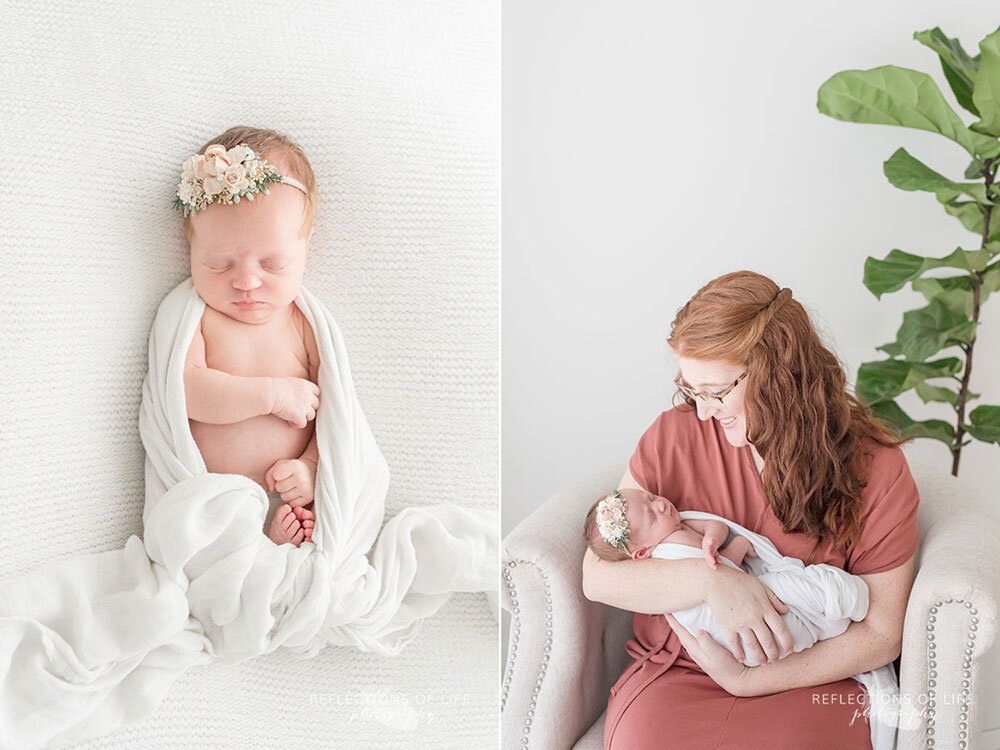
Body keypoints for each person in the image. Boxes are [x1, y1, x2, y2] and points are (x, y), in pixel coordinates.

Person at [581, 271, 919, 750]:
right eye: (692, 389)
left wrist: (748, 681)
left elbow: (883, 632)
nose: (702, 412)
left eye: (716, 391)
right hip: (682, 670)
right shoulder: (674, 436)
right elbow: (599, 576)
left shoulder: (876, 471)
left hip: (812, 679)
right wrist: (713, 579)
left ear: (777, 375)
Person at [179, 127, 323, 547]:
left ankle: (274, 541)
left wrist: (312, 467)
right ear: (190, 246)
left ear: (305, 246)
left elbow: (334, 417)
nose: (246, 282)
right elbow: (186, 391)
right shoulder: (198, 317)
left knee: (293, 543)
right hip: (209, 507)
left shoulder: (303, 324)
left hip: (284, 499)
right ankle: (249, 547)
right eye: (219, 265)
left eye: (274, 264)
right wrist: (272, 395)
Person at [583, 487, 757, 569]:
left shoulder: (676, 525)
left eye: (650, 498)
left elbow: (715, 525)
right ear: (642, 552)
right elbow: (722, 567)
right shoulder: (675, 543)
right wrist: (739, 545)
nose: (660, 505)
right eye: (652, 517)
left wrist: (712, 538)